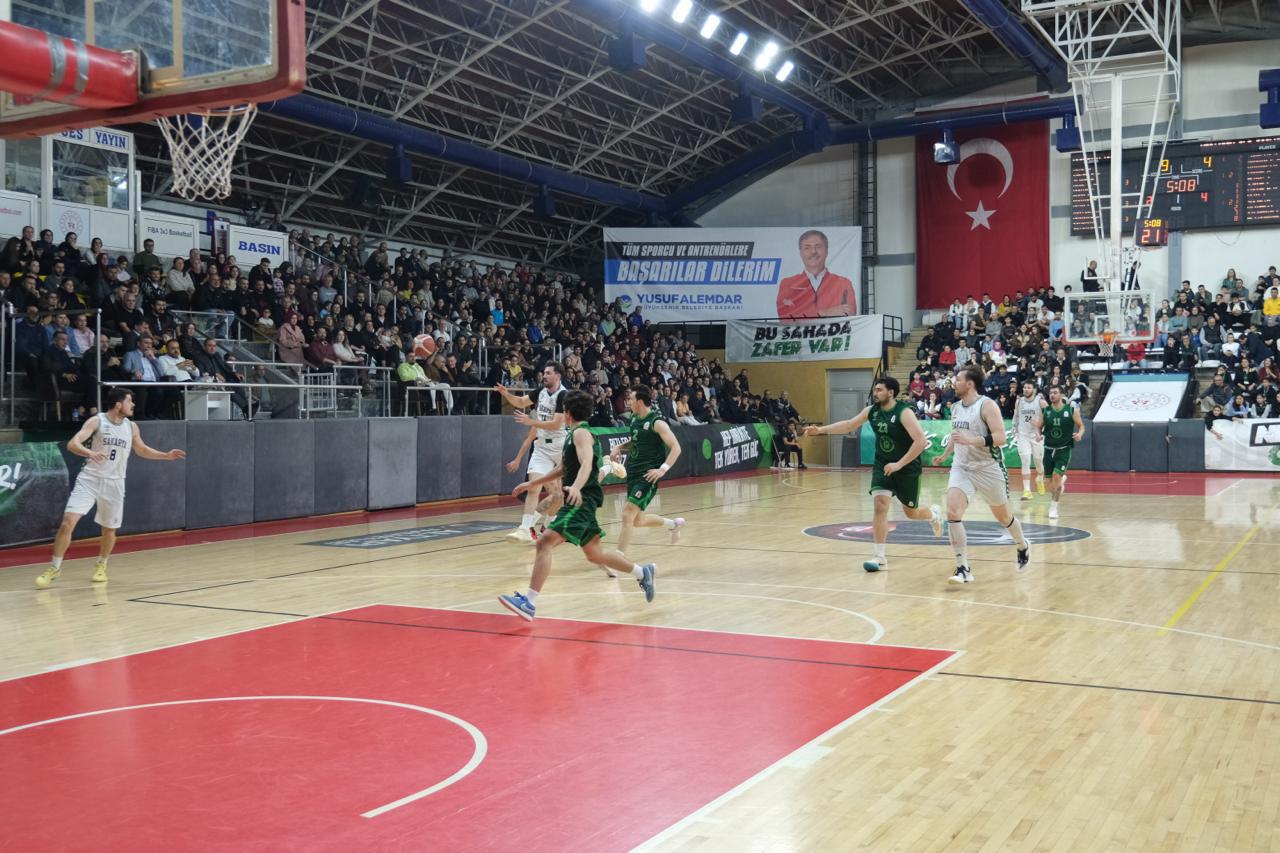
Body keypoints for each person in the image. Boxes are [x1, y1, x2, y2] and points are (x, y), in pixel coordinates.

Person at [498, 390, 656, 620]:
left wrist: (576, 487)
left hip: (581, 499)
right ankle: (642, 573)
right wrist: (531, 484)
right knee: (594, 554)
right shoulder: (574, 433)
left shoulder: (581, 433)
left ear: (567, 413)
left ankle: (529, 603)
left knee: (544, 542)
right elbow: (563, 468)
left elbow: (586, 463)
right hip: (583, 498)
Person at [35, 388, 186, 588]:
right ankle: (54, 567)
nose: (133, 405)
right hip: (89, 479)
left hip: (115, 483)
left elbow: (141, 449)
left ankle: (101, 564)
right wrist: (90, 453)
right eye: (129, 401)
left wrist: (165, 455)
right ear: (118, 404)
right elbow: (73, 444)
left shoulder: (131, 427)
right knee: (67, 523)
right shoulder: (97, 421)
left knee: (109, 529)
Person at [804, 376, 943, 572]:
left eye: (879, 390)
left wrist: (899, 464)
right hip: (882, 465)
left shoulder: (904, 412)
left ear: (891, 392)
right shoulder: (872, 411)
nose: (875, 393)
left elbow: (920, 441)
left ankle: (934, 515)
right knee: (880, 505)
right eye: (875, 390)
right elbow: (849, 425)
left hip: (906, 466)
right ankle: (879, 557)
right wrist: (820, 430)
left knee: (911, 513)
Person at [931, 365, 1032, 584]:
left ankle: (1022, 544)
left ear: (970, 384)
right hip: (961, 466)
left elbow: (1000, 438)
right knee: (953, 512)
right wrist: (944, 454)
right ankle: (963, 568)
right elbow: (956, 435)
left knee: (1003, 517)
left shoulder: (987, 405)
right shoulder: (955, 407)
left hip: (988, 467)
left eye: (958, 379)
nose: (954, 383)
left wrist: (971, 441)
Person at [605, 385, 685, 560]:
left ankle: (618, 559)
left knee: (627, 514)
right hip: (633, 473)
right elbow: (636, 440)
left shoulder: (657, 422)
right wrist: (619, 447)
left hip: (647, 475)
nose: (628, 402)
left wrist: (662, 469)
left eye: (631, 399)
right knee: (637, 521)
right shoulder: (634, 418)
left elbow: (676, 448)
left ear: (640, 402)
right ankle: (673, 525)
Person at [496, 362, 568, 543]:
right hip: (542, 447)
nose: (544, 376)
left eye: (548, 373)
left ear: (558, 375)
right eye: (544, 372)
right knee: (534, 487)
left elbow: (556, 425)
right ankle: (525, 529)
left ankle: (549, 525)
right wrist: (506, 394)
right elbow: (521, 402)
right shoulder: (541, 391)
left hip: (559, 447)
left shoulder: (563, 395)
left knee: (557, 496)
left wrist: (531, 422)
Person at [775, 229, 857, 320]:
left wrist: (801, 312)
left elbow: (850, 314)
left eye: (818, 247)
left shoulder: (843, 283)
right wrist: (825, 312)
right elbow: (785, 317)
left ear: (826, 251)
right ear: (800, 253)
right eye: (807, 248)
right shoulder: (788, 284)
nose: (813, 252)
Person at [1034, 384, 1085, 520]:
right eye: (1050, 393)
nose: (1052, 395)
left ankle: (1053, 508)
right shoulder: (1046, 411)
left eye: (1055, 392)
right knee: (1049, 481)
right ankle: (1061, 481)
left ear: (1062, 395)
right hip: (1048, 449)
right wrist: (1038, 435)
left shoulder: (1071, 410)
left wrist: (1079, 434)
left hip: (1063, 450)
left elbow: (1081, 426)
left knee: (1056, 476)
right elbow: (1038, 427)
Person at [1012, 381, 1047, 500]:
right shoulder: (1019, 401)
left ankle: (1040, 478)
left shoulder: (1041, 401)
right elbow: (1016, 415)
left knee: (1038, 461)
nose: (1026, 389)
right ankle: (1027, 491)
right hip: (1023, 435)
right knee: (1025, 461)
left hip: (1036, 435)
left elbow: (1049, 416)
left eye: (1029, 387)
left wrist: (1041, 427)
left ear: (1034, 389)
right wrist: (1014, 427)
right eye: (1025, 387)